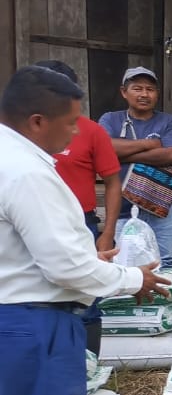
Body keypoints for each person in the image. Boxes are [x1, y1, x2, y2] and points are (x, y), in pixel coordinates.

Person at [0, 65, 167, 395]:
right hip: (34, 326)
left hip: (14, 318)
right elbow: (66, 268)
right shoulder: (27, 173)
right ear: (38, 121)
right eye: (71, 122)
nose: (77, 132)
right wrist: (133, 279)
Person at [36, 60, 122, 356]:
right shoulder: (19, 133)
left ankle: (89, 369)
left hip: (80, 224)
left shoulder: (91, 131)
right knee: (38, 295)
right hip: (30, 223)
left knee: (87, 299)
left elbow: (113, 183)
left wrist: (107, 233)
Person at [98, 66, 172, 269]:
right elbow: (104, 149)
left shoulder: (169, 122)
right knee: (125, 262)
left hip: (163, 206)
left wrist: (122, 155)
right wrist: (150, 144)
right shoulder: (110, 119)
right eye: (137, 88)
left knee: (166, 261)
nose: (144, 94)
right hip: (122, 206)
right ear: (124, 92)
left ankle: (164, 291)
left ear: (157, 94)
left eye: (150, 89)